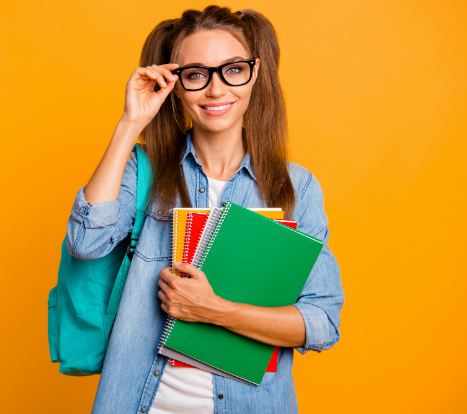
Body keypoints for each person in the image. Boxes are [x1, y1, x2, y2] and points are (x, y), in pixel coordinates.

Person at [65, 5, 344, 414]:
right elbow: (85, 242)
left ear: (255, 72)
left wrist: (216, 310)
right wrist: (131, 122)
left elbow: (321, 322)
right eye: (196, 75)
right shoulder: (143, 171)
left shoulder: (295, 186)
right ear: (175, 85)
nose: (216, 90)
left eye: (232, 69)